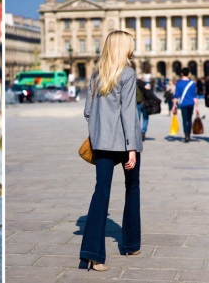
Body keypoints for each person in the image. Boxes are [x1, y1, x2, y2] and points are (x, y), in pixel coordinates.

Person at [80, 30, 143, 271]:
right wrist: (131, 149)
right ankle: (130, 244)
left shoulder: (97, 73)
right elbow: (128, 113)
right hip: (126, 142)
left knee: (101, 192)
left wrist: (100, 131)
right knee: (132, 189)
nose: (133, 47)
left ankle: (92, 255)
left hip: (102, 142)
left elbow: (87, 111)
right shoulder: (127, 73)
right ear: (123, 47)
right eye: (131, 44)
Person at [171, 67, 199, 143]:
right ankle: (189, 134)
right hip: (191, 104)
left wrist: (174, 106)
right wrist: (197, 107)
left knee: (185, 119)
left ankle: (186, 135)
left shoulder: (178, 83)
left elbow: (176, 96)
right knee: (189, 119)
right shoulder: (192, 83)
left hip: (183, 104)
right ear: (188, 74)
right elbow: (195, 96)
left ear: (181, 74)